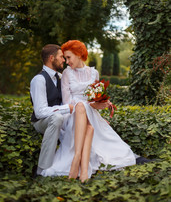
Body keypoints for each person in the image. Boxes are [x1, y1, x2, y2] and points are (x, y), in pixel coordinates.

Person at [41, 40, 137, 182]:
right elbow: (67, 102)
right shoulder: (67, 74)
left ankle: (79, 160)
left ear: (79, 54)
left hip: (90, 113)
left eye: (69, 57)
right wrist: (88, 105)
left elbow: (94, 101)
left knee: (90, 126)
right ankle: (81, 165)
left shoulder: (94, 73)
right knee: (81, 108)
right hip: (72, 114)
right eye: (65, 58)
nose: (66, 62)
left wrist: (101, 103)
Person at [30, 44, 73, 176]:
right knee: (57, 117)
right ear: (51, 58)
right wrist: (66, 108)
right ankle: (42, 169)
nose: (64, 60)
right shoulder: (39, 80)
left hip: (57, 119)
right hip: (40, 122)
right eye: (61, 57)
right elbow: (40, 112)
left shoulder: (60, 77)